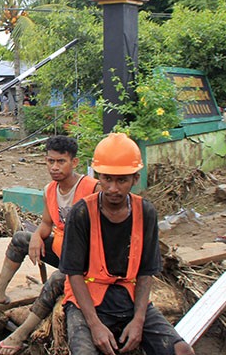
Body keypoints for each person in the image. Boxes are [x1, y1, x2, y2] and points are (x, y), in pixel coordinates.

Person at [60, 133, 194, 355]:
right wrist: (95, 325)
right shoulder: (82, 212)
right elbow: (73, 273)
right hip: (88, 301)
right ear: (98, 176)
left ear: (135, 178)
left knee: (182, 351)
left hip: (128, 297)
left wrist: (138, 321)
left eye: (122, 180)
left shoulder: (145, 212)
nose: (113, 188)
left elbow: (145, 272)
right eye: (107, 179)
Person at [0, 135, 99, 354]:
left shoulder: (92, 189)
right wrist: (37, 236)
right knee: (21, 239)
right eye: (50, 161)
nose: (54, 167)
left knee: (57, 280)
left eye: (61, 161)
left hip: (86, 261)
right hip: (62, 250)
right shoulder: (50, 190)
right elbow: (46, 223)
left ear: (74, 162)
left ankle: (20, 335)